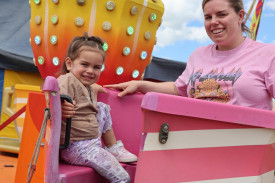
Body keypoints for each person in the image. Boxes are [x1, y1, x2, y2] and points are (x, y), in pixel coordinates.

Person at [105, 0, 275, 111]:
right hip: (194, 141)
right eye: (208, 17)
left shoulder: (267, 54)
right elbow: (179, 90)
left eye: (222, 14)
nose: (214, 21)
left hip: (248, 148)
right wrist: (140, 84)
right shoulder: (198, 54)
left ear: (240, 16)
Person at [57, 33, 137, 183]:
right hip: (76, 147)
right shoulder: (66, 80)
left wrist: (95, 87)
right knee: (123, 178)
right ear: (69, 64)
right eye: (84, 65)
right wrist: (60, 108)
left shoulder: (86, 85)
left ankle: (112, 147)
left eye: (96, 67)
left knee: (102, 107)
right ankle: (108, 151)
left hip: (90, 140)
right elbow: (54, 100)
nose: (90, 71)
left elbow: (89, 89)